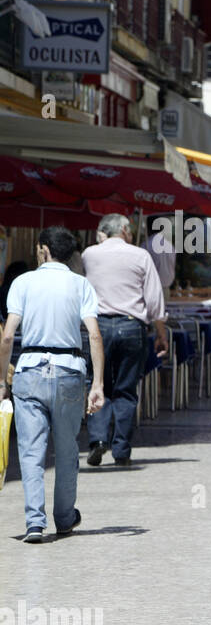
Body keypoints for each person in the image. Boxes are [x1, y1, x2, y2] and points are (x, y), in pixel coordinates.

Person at [0, 227, 105, 542]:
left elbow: (7, 336)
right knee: (67, 449)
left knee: (31, 451)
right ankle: (64, 518)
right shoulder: (80, 284)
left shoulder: (23, 282)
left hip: (29, 371)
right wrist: (97, 383)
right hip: (69, 372)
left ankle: (34, 522)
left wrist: (1, 379)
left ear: (43, 250)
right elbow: (95, 335)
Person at [81, 213, 168, 467]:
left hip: (98, 327)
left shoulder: (89, 254)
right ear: (123, 230)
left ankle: (97, 440)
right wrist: (161, 332)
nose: (131, 233)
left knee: (98, 384)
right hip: (131, 326)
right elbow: (153, 299)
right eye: (129, 229)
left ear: (102, 232)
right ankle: (121, 449)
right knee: (126, 391)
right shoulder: (140, 256)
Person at [145, 218, 176, 291]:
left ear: (148, 228)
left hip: (151, 289)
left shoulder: (146, 245)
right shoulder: (170, 246)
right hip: (166, 289)